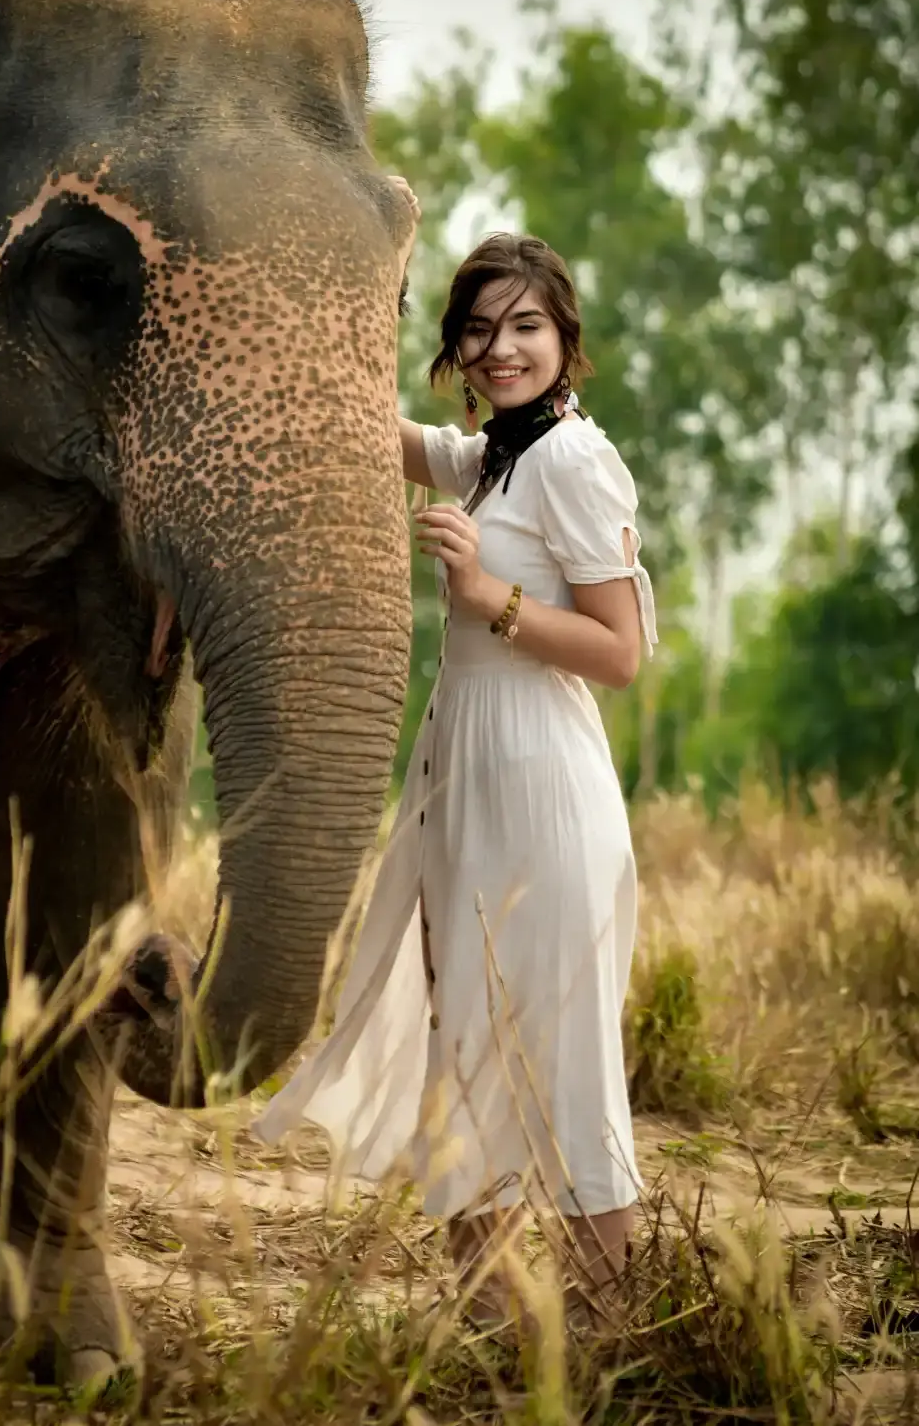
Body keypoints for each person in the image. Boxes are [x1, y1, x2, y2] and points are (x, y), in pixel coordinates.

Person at [255, 181, 656, 1330]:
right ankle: (493, 1331)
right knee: (466, 1048)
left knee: (563, 1065)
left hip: (546, 792)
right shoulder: (490, 457)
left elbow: (621, 653)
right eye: (478, 329)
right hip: (467, 785)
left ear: (564, 338)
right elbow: (373, 434)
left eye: (525, 325)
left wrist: (488, 597)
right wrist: (308, 308)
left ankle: (616, 1337)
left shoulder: (573, 460)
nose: (501, 348)